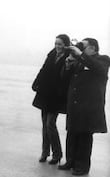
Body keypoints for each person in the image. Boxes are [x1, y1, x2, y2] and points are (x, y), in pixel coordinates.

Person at [58, 38, 110, 176]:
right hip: (75, 106)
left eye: (84, 46)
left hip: (89, 106)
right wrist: (68, 64)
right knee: (72, 134)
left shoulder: (103, 60)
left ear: (93, 48)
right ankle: (70, 161)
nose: (80, 48)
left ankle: (82, 166)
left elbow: (97, 68)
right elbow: (65, 79)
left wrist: (80, 55)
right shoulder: (81, 61)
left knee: (84, 138)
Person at [32, 34, 71, 165]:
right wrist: (36, 82)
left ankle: (57, 154)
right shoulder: (51, 54)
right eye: (55, 44)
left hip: (57, 96)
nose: (57, 46)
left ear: (65, 44)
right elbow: (43, 70)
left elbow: (67, 77)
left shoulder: (69, 57)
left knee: (50, 124)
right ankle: (45, 152)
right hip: (45, 93)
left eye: (59, 44)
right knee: (45, 125)